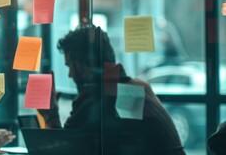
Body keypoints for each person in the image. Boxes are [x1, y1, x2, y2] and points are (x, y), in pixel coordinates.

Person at [36, 24, 186, 155]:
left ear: (79, 66)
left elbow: (61, 152)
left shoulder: (95, 101)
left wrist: (51, 115)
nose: (69, 75)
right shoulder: (140, 86)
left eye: (69, 66)